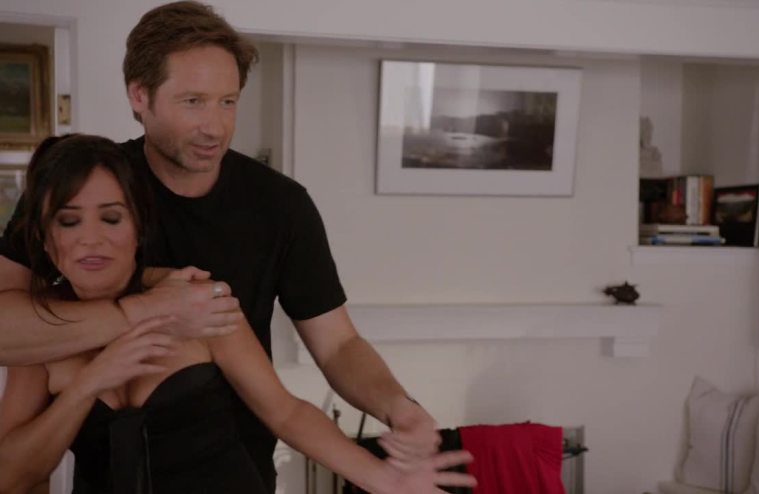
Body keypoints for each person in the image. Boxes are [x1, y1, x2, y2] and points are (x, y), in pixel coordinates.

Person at [0, 1, 442, 491]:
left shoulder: (280, 206)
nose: (215, 126)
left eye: (227, 102)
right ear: (140, 95)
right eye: (193, 101)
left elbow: (336, 347)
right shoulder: (87, 189)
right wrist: (142, 315)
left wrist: (396, 406)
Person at [0, 134, 475, 494]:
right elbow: (12, 474)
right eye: (69, 221)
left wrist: (385, 481)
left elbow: (286, 413)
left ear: (138, 226)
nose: (92, 239)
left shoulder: (197, 300)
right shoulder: (41, 333)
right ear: (43, 237)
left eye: (111, 218)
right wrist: (88, 383)